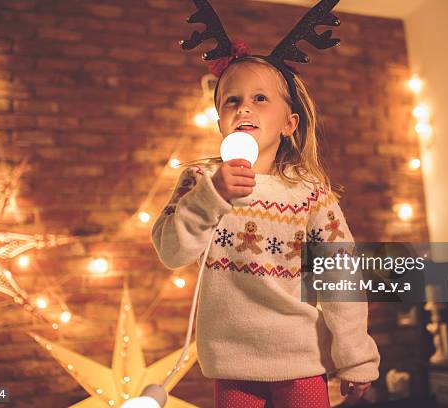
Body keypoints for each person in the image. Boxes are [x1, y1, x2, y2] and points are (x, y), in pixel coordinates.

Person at [152, 53, 380, 407]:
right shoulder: (200, 183)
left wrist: (356, 357)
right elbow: (171, 252)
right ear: (220, 124)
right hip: (231, 361)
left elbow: (340, 278)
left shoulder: (310, 195)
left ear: (289, 124)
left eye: (260, 98)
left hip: (301, 357)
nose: (244, 108)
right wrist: (212, 197)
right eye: (232, 100)